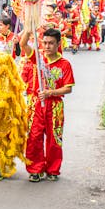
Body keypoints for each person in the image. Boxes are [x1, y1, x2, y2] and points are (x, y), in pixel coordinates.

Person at [20, 28, 74, 182]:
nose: (47, 46)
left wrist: (51, 93)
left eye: (51, 43)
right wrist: (29, 30)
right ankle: (35, 169)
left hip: (55, 107)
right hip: (36, 105)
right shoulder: (37, 58)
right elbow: (23, 44)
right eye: (45, 43)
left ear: (58, 44)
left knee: (54, 140)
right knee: (34, 138)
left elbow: (68, 88)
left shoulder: (64, 64)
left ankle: (52, 169)